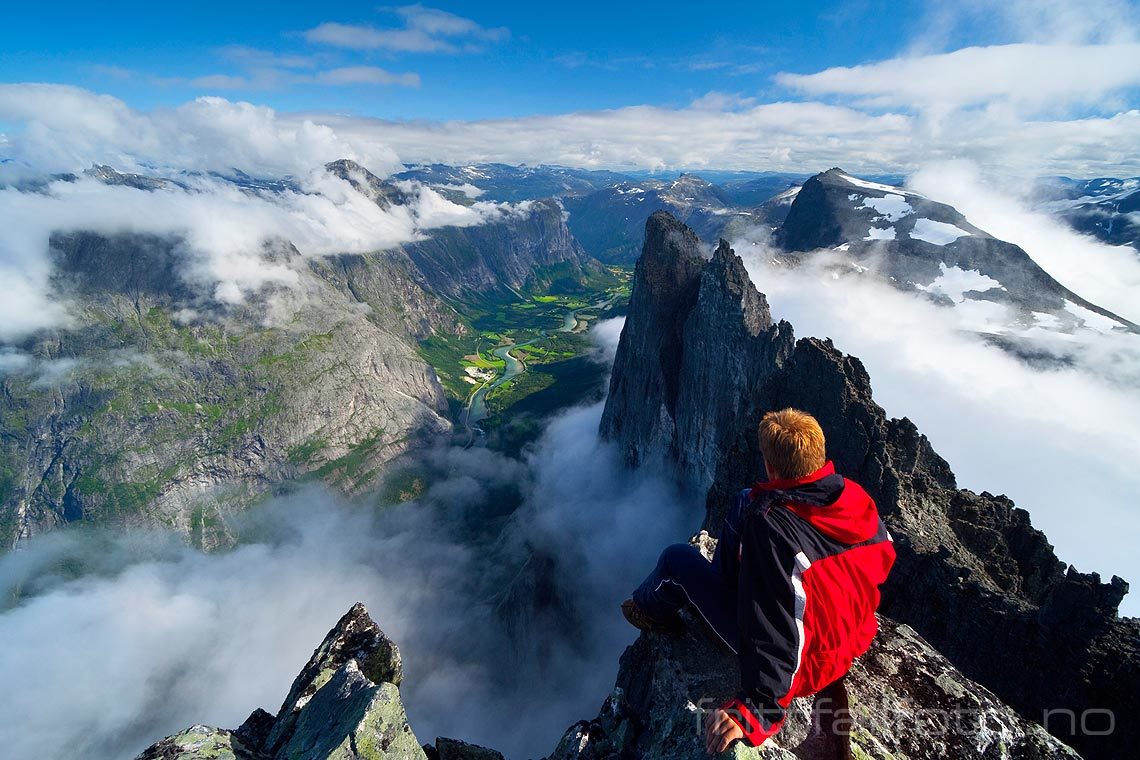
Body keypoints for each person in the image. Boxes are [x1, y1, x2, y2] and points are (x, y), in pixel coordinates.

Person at [621, 408, 896, 754]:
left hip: (807, 662)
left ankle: (646, 610)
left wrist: (756, 711)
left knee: (676, 560)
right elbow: (882, 558)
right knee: (745, 500)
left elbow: (780, 631)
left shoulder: (775, 533)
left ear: (772, 465)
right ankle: (724, 580)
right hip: (851, 635)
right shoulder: (855, 499)